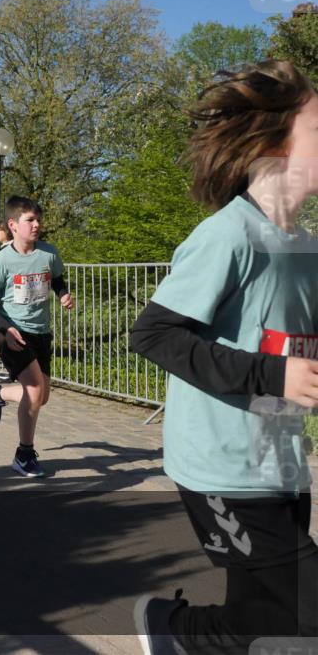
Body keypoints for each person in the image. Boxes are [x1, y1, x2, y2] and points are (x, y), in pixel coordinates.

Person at [129, 60, 317, 655]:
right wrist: (273, 374)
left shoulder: (303, 246)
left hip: (281, 461)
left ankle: (169, 629)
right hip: (222, 469)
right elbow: (153, 335)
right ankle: (172, 628)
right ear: (279, 144)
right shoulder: (229, 234)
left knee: (261, 618)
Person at [0, 197, 74, 478]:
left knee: (41, 397)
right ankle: (24, 454)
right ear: (13, 225)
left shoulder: (48, 254)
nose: (36, 225)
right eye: (29, 220)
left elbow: (56, 278)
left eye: (38, 220)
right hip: (12, 333)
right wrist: (5, 329)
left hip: (41, 332)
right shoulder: (2, 260)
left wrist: (63, 294)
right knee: (33, 391)